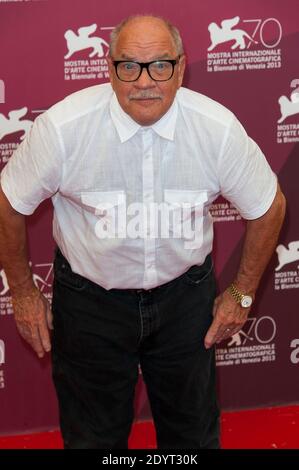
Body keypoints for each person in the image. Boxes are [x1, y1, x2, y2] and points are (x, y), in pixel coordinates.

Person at [0, 14, 285, 449]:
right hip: (89, 304)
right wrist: (22, 292)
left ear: (181, 67)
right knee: (92, 440)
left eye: (160, 66)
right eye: (129, 66)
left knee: (192, 437)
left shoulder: (217, 129)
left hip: (185, 303)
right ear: (109, 69)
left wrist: (242, 294)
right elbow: (8, 202)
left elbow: (269, 207)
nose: (144, 82)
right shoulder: (62, 129)